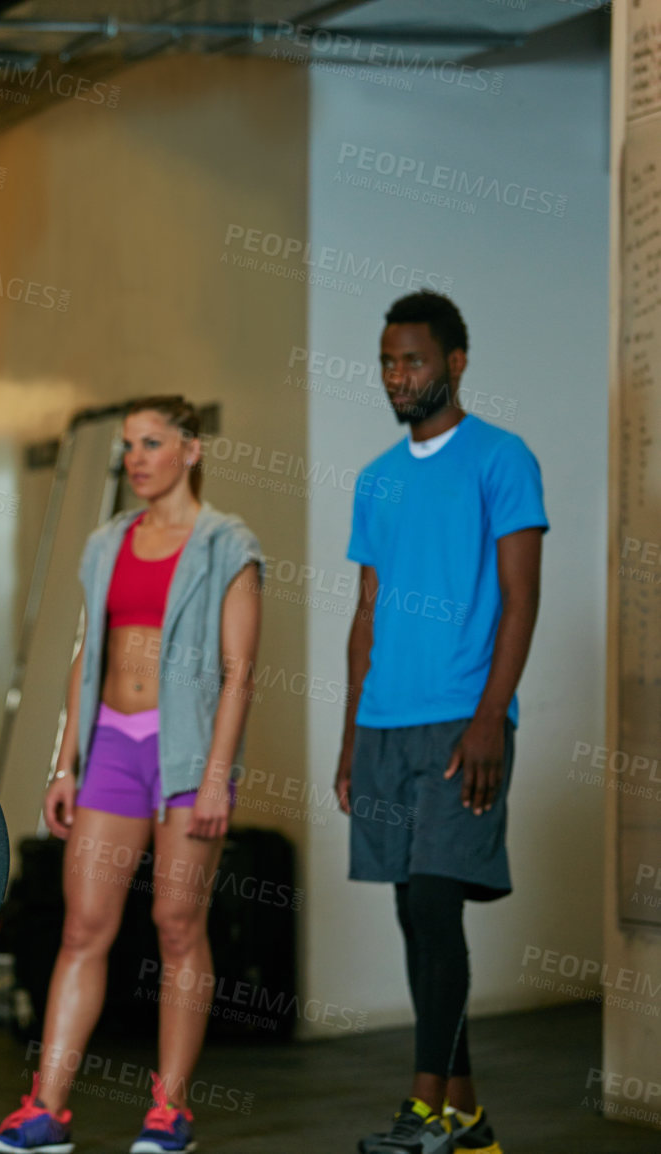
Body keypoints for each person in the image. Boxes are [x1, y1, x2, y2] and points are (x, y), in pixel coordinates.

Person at [0, 396, 262, 1154]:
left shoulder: (227, 544)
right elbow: (87, 656)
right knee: (83, 927)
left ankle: (171, 1111)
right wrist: (65, 760)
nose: (136, 458)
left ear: (190, 450)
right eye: (129, 446)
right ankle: (45, 1109)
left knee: (177, 926)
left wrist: (213, 778)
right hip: (112, 744)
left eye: (152, 443)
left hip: (184, 753)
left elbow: (240, 673)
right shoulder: (106, 543)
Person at [336, 291, 542, 1154]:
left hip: (465, 721)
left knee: (432, 903)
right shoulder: (376, 477)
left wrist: (492, 717)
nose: (397, 376)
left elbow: (523, 597)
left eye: (412, 360)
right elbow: (368, 608)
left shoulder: (503, 459)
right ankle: (469, 1119)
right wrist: (349, 737)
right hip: (384, 724)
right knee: (418, 920)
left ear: (455, 362)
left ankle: (423, 1111)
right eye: (387, 361)